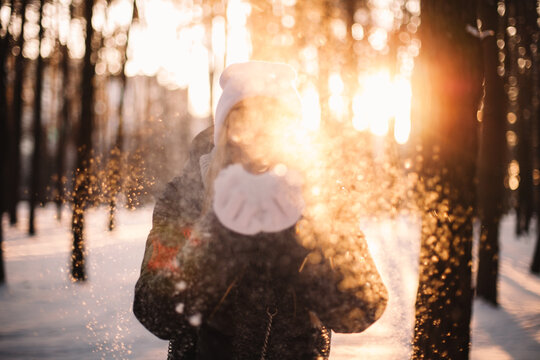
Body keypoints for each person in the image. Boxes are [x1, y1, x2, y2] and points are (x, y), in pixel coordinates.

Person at [133, 61, 388, 360]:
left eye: (273, 122)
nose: (258, 136)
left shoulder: (323, 198)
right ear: (225, 128)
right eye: (244, 121)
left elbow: (363, 308)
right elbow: (155, 312)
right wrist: (218, 241)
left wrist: (310, 254)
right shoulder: (186, 197)